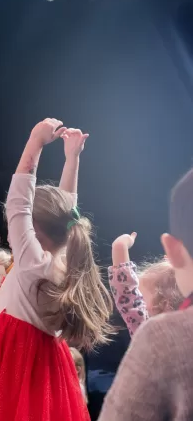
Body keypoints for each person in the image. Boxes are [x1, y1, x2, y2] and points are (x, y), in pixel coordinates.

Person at [0, 120, 113, 420]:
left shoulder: (33, 261)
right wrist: (72, 158)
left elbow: (19, 202)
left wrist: (35, 142)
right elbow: (65, 207)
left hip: (16, 366)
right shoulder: (62, 263)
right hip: (42, 368)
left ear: (33, 228)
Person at [98, 167, 193, 421]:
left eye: (142, 294)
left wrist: (120, 247)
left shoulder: (157, 333)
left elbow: (126, 293)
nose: (134, 299)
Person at [107, 232, 183, 336]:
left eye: (139, 296)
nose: (136, 298)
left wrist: (120, 246)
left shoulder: (151, 334)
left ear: (163, 304)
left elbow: (128, 295)